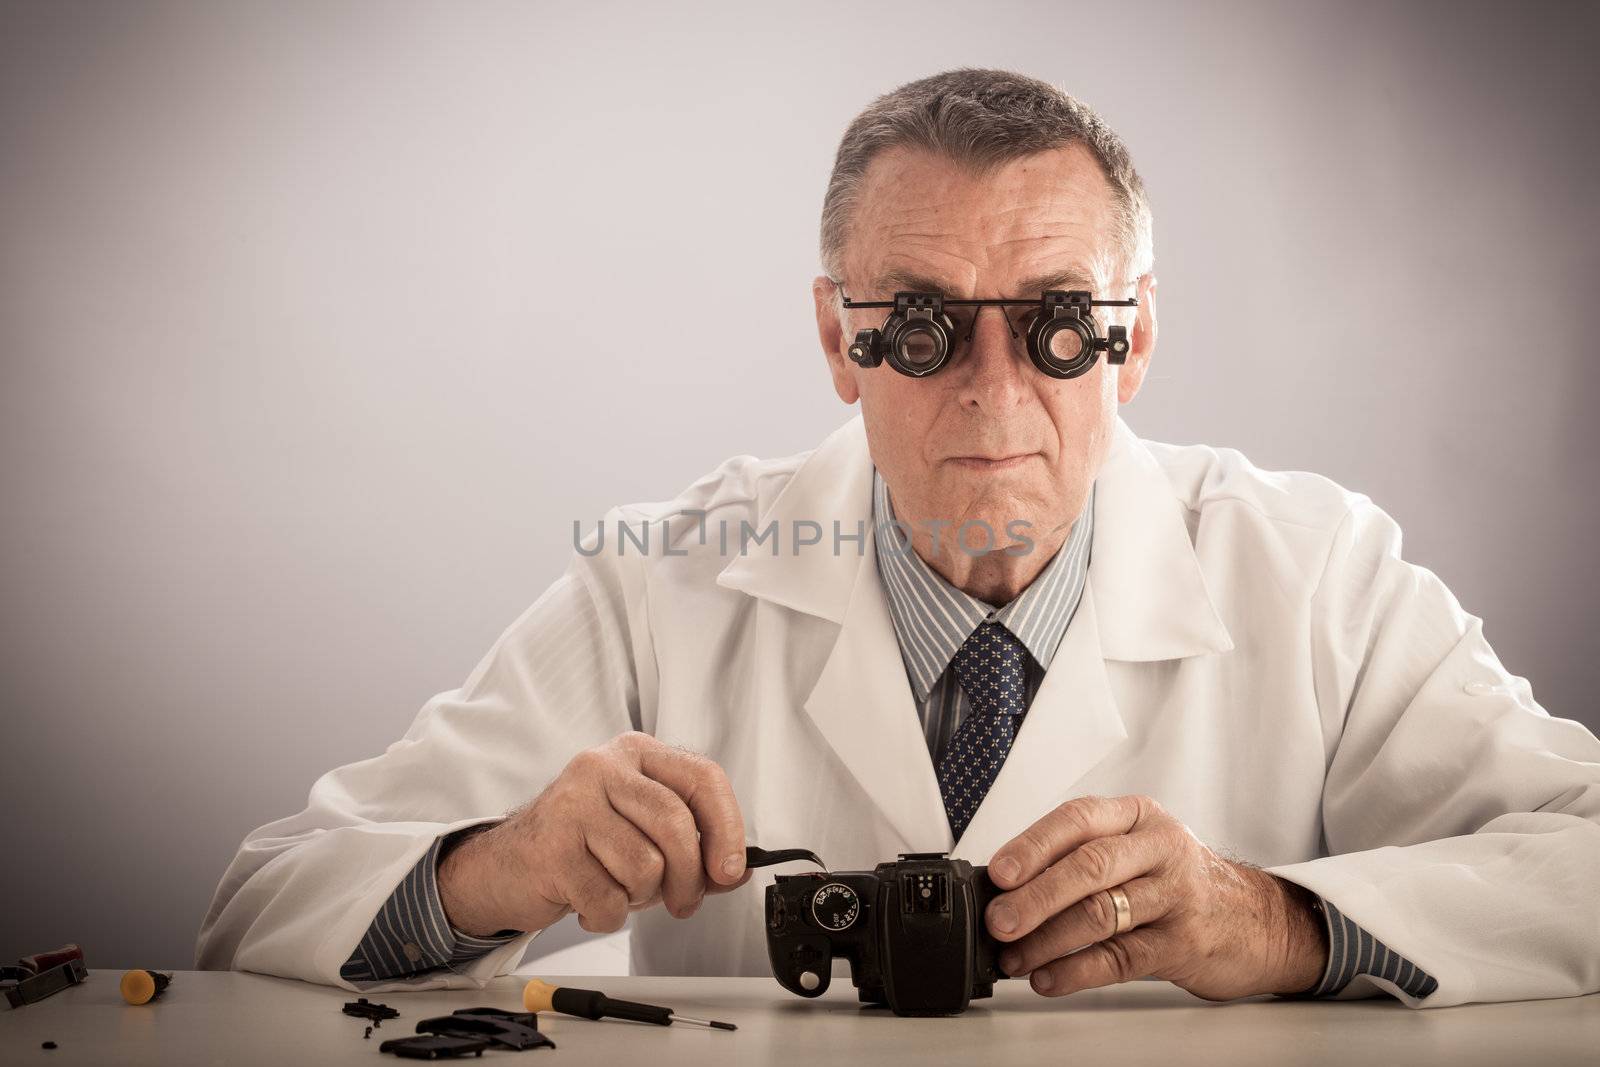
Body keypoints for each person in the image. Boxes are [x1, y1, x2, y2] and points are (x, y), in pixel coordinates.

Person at [197, 69, 1600, 1008]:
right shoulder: (657, 579)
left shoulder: (1318, 573)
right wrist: (496, 866)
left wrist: (1276, 922)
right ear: (837, 340)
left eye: (1061, 324)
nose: (995, 391)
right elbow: (262, 908)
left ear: (1138, 336)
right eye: (920, 327)